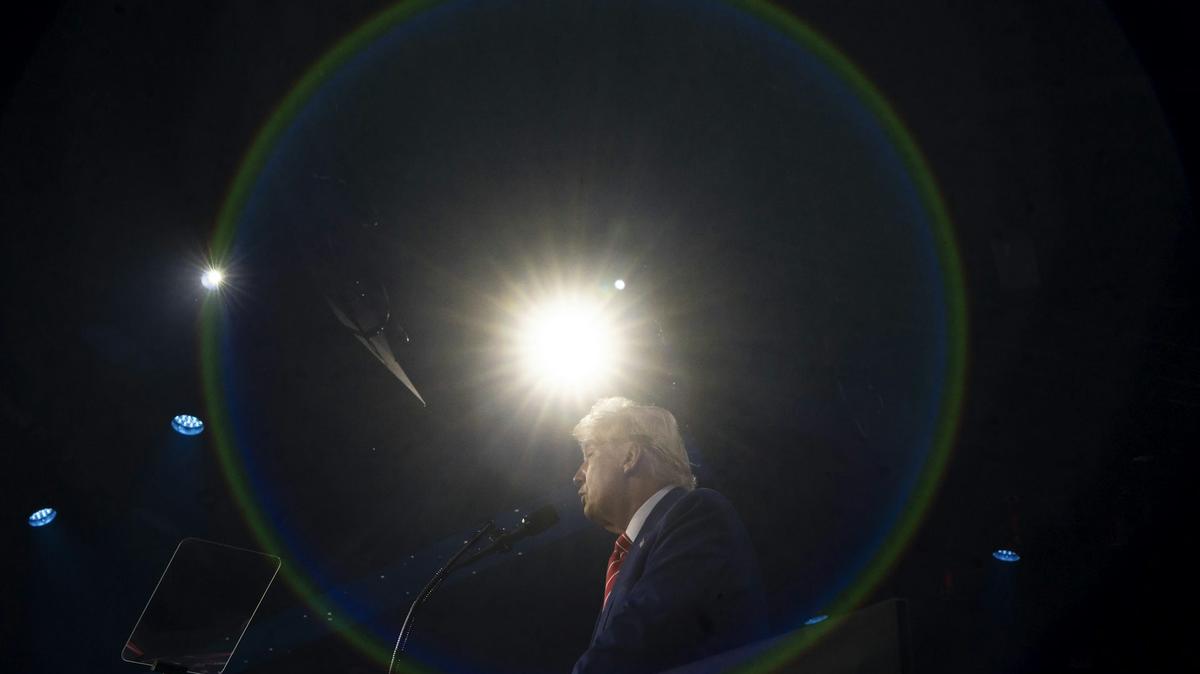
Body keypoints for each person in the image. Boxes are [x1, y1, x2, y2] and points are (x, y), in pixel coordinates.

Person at [570, 397, 768, 674]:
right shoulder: (628, 557)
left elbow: (644, 632)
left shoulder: (697, 512)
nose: (577, 475)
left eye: (589, 455)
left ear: (629, 457)